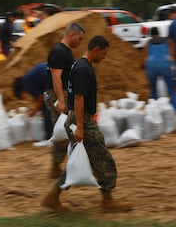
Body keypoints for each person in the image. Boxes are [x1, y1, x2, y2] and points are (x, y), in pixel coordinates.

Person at [42, 35, 132, 213]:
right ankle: (107, 201)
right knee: (104, 159)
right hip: (81, 120)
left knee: (84, 159)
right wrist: (82, 127)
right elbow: (79, 98)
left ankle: (53, 196)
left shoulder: (79, 65)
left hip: (77, 118)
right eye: (104, 53)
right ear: (96, 49)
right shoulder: (84, 69)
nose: (104, 57)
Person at [45, 22, 85, 178]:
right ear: (72, 34)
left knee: (66, 130)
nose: (80, 42)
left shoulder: (64, 51)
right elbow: (56, 76)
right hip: (57, 95)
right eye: (80, 39)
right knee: (63, 131)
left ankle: (60, 165)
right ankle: (56, 166)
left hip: (63, 94)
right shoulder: (59, 51)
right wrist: (61, 100)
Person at [13, 62, 53, 145]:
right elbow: (38, 97)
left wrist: (34, 111)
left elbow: (40, 98)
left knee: (46, 108)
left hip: (51, 77)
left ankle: (49, 137)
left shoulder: (27, 84)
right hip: (51, 72)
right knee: (46, 106)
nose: (25, 95)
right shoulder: (27, 78)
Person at [144, 27, 176, 112]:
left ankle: (154, 111)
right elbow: (173, 53)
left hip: (152, 66)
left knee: (153, 90)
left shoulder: (148, 43)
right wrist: (173, 64)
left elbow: (145, 57)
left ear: (151, 35)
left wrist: (145, 67)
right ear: (159, 33)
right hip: (165, 65)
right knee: (171, 89)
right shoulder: (167, 41)